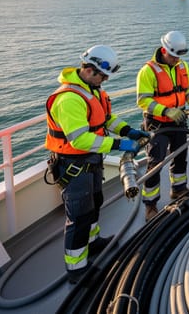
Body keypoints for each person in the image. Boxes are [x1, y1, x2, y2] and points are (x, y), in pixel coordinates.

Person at [44, 45, 148, 283]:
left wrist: (128, 131)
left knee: (95, 204)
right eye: (102, 75)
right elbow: (79, 139)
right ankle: (76, 268)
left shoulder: (93, 91)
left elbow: (106, 118)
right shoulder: (69, 98)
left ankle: (93, 241)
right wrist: (119, 145)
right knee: (79, 217)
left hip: (90, 161)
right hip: (74, 164)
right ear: (89, 70)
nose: (105, 80)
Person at [136, 31, 189, 221]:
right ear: (164, 50)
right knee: (155, 163)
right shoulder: (148, 71)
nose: (177, 60)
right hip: (158, 124)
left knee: (180, 156)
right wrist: (165, 111)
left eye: (180, 56)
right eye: (174, 56)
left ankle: (179, 189)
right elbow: (143, 100)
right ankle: (150, 205)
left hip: (179, 120)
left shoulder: (182, 65)